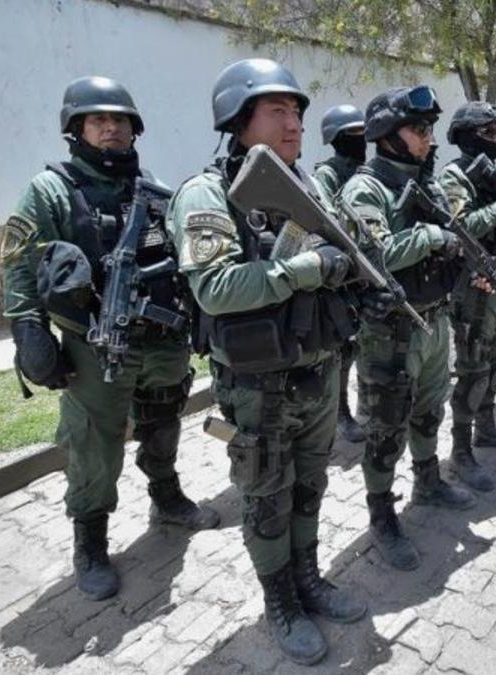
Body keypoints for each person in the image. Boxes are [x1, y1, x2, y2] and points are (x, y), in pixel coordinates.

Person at [167, 59, 376, 664]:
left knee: (310, 484)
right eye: (278, 111)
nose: (294, 124)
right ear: (239, 118)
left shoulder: (305, 186)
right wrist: (301, 270)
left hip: (319, 371)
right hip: (258, 387)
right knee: (266, 496)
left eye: (298, 112)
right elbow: (214, 287)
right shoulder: (206, 194)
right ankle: (279, 599)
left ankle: (308, 577)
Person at [2, 76, 219, 603]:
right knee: (94, 444)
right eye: (99, 120)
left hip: (161, 336)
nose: (111, 128)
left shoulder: (153, 187)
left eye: (120, 120)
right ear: (76, 129)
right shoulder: (50, 189)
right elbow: (19, 271)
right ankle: (91, 541)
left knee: (164, 417)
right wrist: (30, 334)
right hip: (92, 343)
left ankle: (165, 495)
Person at [339, 85, 479, 573]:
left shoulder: (428, 182)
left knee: (429, 412)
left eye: (429, 129)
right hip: (391, 333)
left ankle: (428, 480)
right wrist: (430, 236)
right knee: (385, 430)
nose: (427, 138)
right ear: (386, 134)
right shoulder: (365, 189)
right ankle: (382, 515)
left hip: (434, 320)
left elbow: (454, 236)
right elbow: (374, 256)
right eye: (418, 129)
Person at [437, 100, 496, 494]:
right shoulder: (454, 177)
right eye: (489, 133)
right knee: (472, 370)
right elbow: (462, 228)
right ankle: (460, 450)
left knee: (495, 361)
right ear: (468, 136)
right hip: (474, 291)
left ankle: (486, 426)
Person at [314, 104, 369, 443]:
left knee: (362, 345)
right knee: (342, 351)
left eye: (363, 134)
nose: (361, 141)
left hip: (362, 272)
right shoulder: (327, 175)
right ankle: (339, 414)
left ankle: (364, 405)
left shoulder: (363, 170)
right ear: (335, 138)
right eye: (353, 135)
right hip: (340, 275)